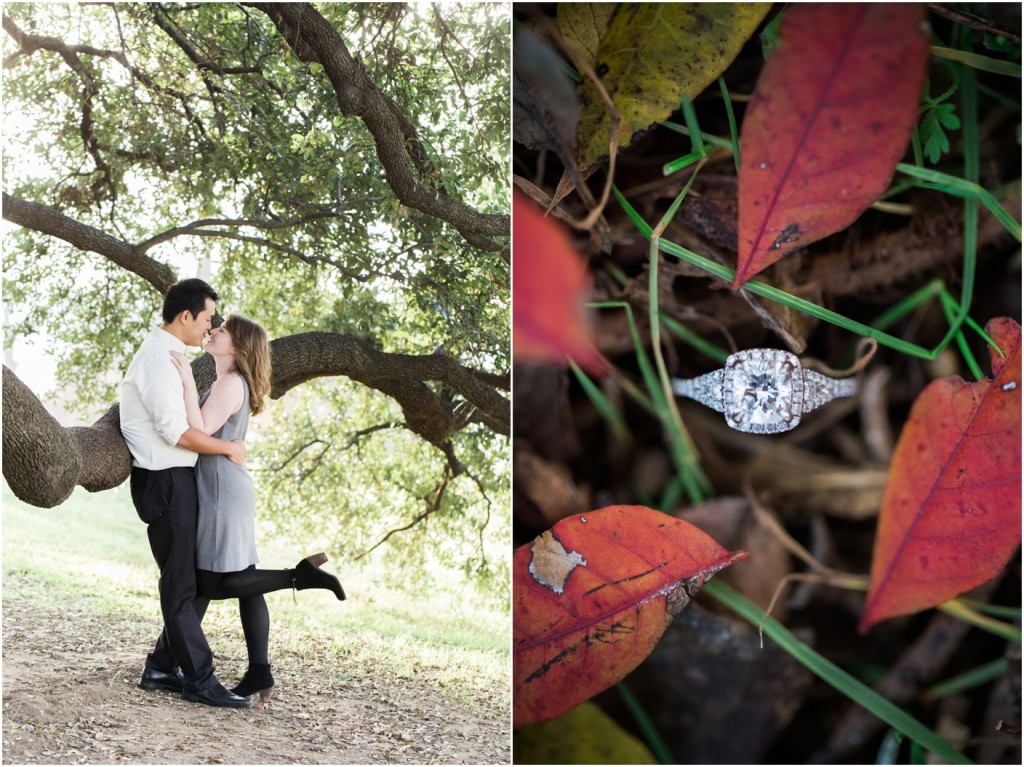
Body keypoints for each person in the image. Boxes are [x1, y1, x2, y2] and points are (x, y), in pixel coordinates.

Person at [170, 313, 345, 704]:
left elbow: (199, 429)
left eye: (223, 329)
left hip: (221, 491)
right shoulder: (229, 382)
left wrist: (184, 378)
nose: (214, 330)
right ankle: (259, 672)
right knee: (245, 580)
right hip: (226, 488)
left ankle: (298, 576)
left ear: (237, 346)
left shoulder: (231, 383)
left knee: (213, 583)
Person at [120, 278, 252, 708]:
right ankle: (200, 678)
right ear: (186, 316)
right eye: (208, 318)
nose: (209, 327)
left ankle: (161, 665)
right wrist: (229, 448)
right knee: (179, 587)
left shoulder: (169, 355)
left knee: (191, 584)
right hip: (165, 481)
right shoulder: (156, 359)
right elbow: (177, 433)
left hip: (181, 481)